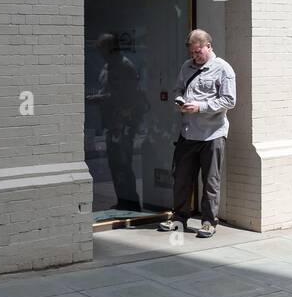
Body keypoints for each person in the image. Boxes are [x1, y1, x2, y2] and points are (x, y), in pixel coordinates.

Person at [159, 29, 236, 238]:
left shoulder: (223, 69)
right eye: (192, 53)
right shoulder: (187, 67)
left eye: (198, 52)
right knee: (182, 177)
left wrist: (200, 107)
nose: (195, 56)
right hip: (188, 133)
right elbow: (178, 89)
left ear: (208, 46)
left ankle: (209, 222)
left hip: (213, 134)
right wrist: (180, 101)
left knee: (211, 180)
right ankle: (179, 218)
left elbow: (229, 100)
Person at [87, 32, 147, 211]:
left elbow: (127, 97)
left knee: (122, 164)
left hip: (122, 124)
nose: (100, 53)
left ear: (110, 48)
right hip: (112, 124)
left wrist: (99, 98)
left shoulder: (124, 67)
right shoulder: (110, 66)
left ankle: (131, 204)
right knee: (116, 165)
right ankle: (123, 201)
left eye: (102, 49)